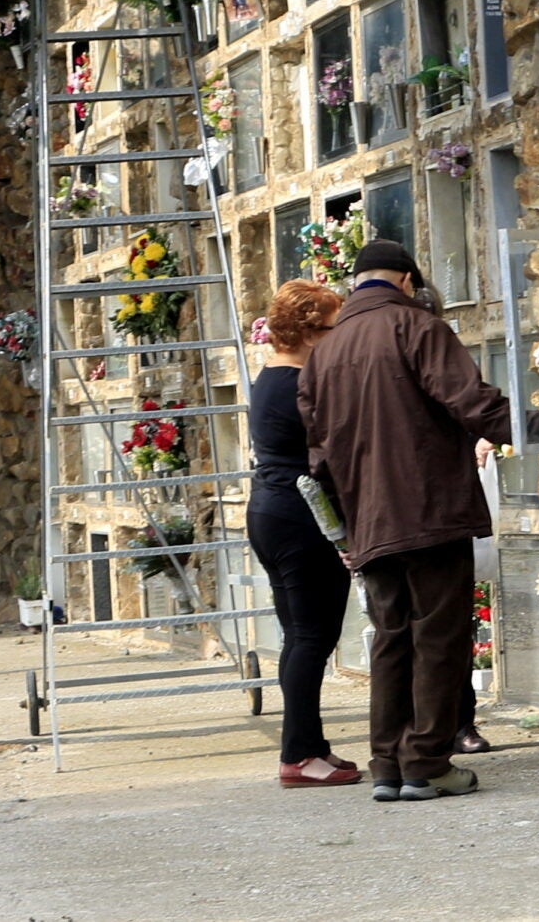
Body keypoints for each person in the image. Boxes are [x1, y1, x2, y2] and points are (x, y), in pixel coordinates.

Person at [299, 238, 517, 802]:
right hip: (430, 511)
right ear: (405, 281)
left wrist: (345, 527)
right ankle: (427, 763)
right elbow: (468, 398)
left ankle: (387, 765)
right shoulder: (417, 327)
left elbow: (317, 456)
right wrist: (537, 429)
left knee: (390, 638)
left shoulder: (322, 355)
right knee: (439, 636)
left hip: (369, 520)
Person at [245, 279, 361, 788]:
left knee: (301, 636)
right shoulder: (297, 385)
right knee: (312, 637)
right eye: (335, 327)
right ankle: (297, 757)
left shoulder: (272, 375)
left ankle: (310, 745)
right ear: (312, 332)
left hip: (274, 513)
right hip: (300, 518)